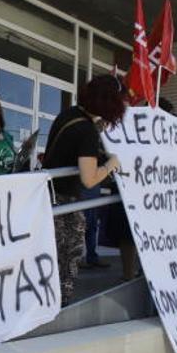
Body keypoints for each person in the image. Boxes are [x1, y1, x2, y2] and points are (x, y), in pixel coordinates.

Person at [42, 73, 128, 302]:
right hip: (64, 199)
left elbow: (69, 151)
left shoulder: (68, 115)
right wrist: (110, 164)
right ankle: (61, 300)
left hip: (46, 194)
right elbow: (89, 179)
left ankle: (49, 297)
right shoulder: (87, 131)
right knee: (70, 252)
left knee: (51, 252)